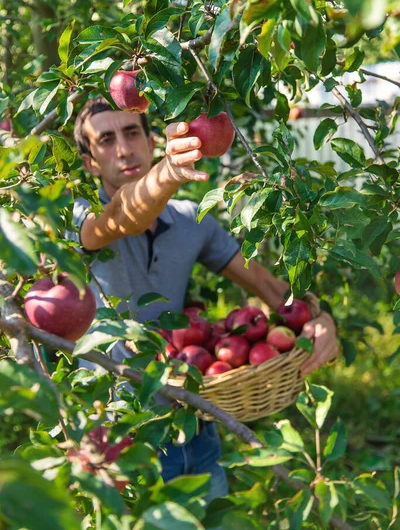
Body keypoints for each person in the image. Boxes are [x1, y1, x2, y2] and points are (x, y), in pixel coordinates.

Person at [70, 97, 338, 502]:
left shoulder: (191, 218)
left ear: (151, 140)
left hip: (195, 416)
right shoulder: (79, 217)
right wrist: (168, 173)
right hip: (119, 431)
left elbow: (267, 287)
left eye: (131, 132)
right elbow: (123, 217)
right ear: (90, 162)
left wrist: (321, 318)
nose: (124, 149)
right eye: (106, 140)